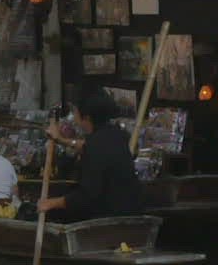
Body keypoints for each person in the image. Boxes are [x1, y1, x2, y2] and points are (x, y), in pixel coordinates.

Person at [39, 92, 143, 221]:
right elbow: (88, 146)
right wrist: (60, 139)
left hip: (110, 218)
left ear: (86, 118)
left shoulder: (95, 145)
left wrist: (51, 203)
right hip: (131, 211)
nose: (73, 116)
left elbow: (86, 196)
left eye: (75, 111)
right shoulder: (117, 135)